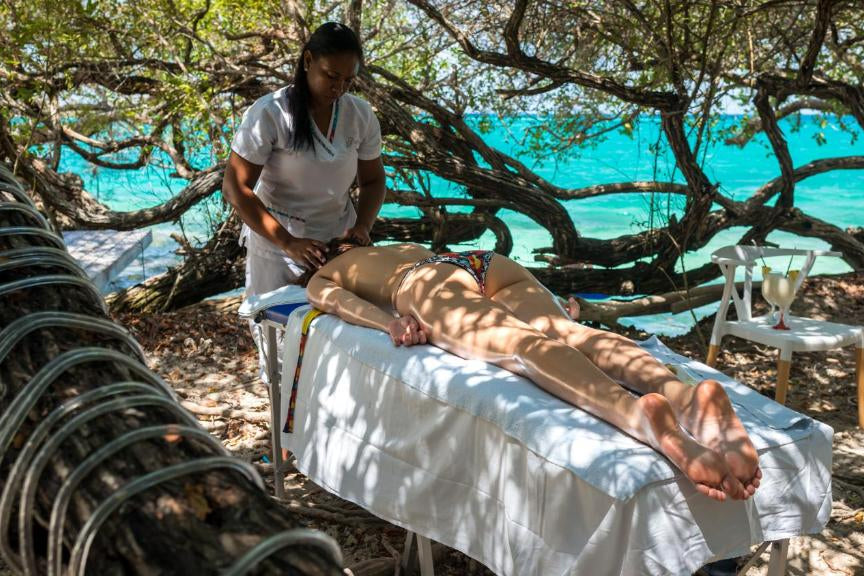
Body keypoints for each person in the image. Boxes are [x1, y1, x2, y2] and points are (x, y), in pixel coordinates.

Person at [303, 241, 762, 502]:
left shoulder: (332, 269)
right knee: (567, 331)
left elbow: (332, 301)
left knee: (525, 347)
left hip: (425, 285)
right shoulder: (394, 245)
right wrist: (553, 297)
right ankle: (683, 394)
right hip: (478, 260)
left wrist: (390, 321)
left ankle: (637, 415)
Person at [222, 21, 386, 300]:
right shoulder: (270, 113)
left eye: (348, 80)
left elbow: (373, 180)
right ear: (308, 60)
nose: (340, 88)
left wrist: (362, 227)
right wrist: (288, 242)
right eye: (332, 76)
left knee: (330, 331)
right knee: (277, 332)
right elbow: (235, 188)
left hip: (336, 246)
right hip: (277, 247)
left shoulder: (359, 115)